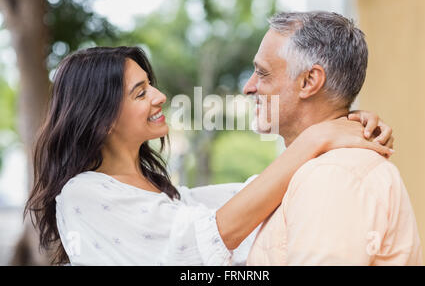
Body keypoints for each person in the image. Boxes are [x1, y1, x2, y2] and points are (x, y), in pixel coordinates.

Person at [25, 46, 393, 265]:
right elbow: (203, 238)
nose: (159, 96)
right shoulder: (82, 194)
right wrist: (316, 138)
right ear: (101, 119)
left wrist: (339, 121)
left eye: (150, 84)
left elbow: (250, 200)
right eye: (140, 93)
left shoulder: (166, 194)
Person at [244, 11, 422, 265]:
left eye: (262, 73)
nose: (248, 87)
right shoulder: (316, 170)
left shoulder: (332, 174)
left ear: (309, 81)